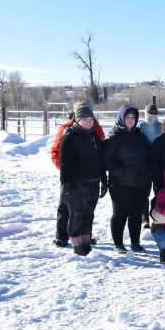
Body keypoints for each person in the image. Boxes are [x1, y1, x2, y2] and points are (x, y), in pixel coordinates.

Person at [51, 101, 105, 247]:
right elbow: (57, 152)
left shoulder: (96, 129)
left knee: (86, 209)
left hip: (90, 178)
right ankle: (61, 235)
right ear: (76, 113)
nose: (88, 121)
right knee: (65, 206)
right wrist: (66, 173)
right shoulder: (67, 129)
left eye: (90, 118)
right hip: (72, 176)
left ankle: (85, 235)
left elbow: (100, 150)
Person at [103, 105, 152, 254]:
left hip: (141, 183)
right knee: (120, 214)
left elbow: (150, 155)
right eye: (127, 117)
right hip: (121, 183)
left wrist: (149, 172)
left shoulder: (141, 136)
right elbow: (106, 160)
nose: (130, 120)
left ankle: (135, 243)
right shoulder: (114, 137)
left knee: (136, 214)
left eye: (133, 117)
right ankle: (118, 244)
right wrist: (120, 172)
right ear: (121, 118)